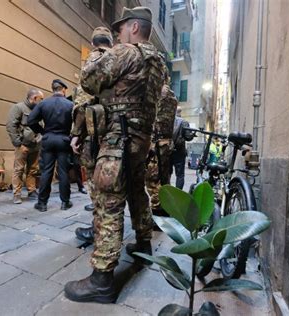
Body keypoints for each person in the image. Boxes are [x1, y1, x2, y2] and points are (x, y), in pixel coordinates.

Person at [64, 6, 166, 303]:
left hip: (117, 141)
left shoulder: (127, 53)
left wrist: (97, 55)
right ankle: (143, 245)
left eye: (122, 29)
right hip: (140, 141)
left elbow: (89, 79)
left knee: (108, 204)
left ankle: (102, 280)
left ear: (134, 27)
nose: (119, 34)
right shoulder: (158, 63)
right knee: (137, 194)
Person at [70, 26, 114, 244]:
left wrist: (76, 134)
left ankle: (98, 230)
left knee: (96, 185)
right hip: (117, 135)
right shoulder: (119, 60)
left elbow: (81, 103)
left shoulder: (92, 61)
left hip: (94, 135)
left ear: (94, 42)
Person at [27, 79, 73, 212]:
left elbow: (30, 120)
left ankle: (42, 203)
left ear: (53, 89)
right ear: (63, 89)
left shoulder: (43, 103)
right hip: (64, 139)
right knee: (63, 171)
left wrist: (42, 131)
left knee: (46, 171)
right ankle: (65, 202)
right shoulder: (70, 104)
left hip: (48, 139)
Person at [6, 88, 44, 204]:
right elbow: (11, 126)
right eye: (41, 99)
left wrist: (40, 139)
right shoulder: (18, 108)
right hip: (23, 145)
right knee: (19, 170)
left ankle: (31, 190)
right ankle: (17, 194)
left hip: (36, 145)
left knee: (33, 169)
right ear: (34, 98)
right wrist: (18, 143)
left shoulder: (39, 110)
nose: (42, 101)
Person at [145, 83, 177, 216]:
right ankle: (166, 208)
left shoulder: (156, 92)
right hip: (167, 142)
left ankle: (158, 212)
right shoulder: (172, 96)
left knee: (153, 179)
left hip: (156, 142)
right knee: (165, 177)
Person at [170, 106, 194, 190]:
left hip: (167, 151)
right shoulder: (184, 122)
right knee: (180, 175)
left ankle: (166, 194)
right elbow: (188, 137)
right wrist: (192, 134)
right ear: (180, 112)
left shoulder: (167, 121)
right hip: (179, 151)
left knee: (166, 173)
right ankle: (178, 194)